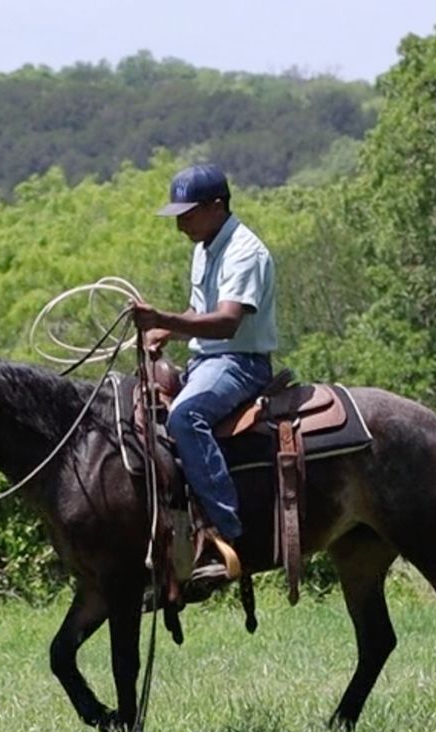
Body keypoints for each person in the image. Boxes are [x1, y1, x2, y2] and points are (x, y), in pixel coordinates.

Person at [131, 164, 277, 584]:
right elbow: (201, 311)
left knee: (185, 416)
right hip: (208, 361)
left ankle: (224, 534)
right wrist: (166, 331)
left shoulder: (244, 251)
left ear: (216, 206)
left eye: (188, 214)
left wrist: (163, 317)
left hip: (240, 363)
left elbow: (227, 322)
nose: (180, 225)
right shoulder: (205, 246)